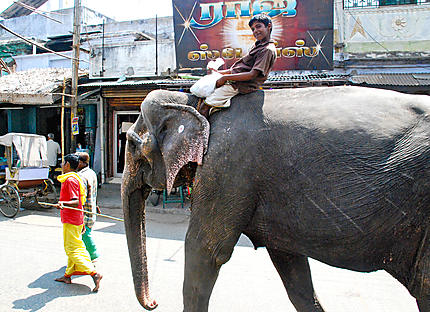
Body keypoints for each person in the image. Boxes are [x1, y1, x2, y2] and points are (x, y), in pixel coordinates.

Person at [198, 14, 277, 118]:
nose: (255, 31)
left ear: (269, 26)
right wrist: (218, 73)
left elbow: (252, 75)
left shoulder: (267, 50)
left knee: (204, 107)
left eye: (258, 26)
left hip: (240, 86)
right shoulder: (257, 46)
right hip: (235, 82)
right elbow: (238, 70)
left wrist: (225, 78)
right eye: (253, 29)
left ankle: (202, 134)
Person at [54, 154, 102, 292]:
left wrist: (62, 203)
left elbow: (76, 201)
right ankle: (68, 275)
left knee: (73, 249)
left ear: (68, 165)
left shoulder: (71, 180)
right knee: (75, 246)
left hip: (72, 218)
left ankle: (94, 274)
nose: (62, 165)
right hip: (75, 218)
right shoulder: (76, 178)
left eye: (63, 163)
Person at [76, 152, 100, 262]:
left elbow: (82, 197)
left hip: (86, 209)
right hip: (92, 207)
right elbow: (95, 191)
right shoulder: (92, 172)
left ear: (81, 163)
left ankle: (93, 254)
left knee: (85, 233)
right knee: (86, 232)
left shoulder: (82, 176)